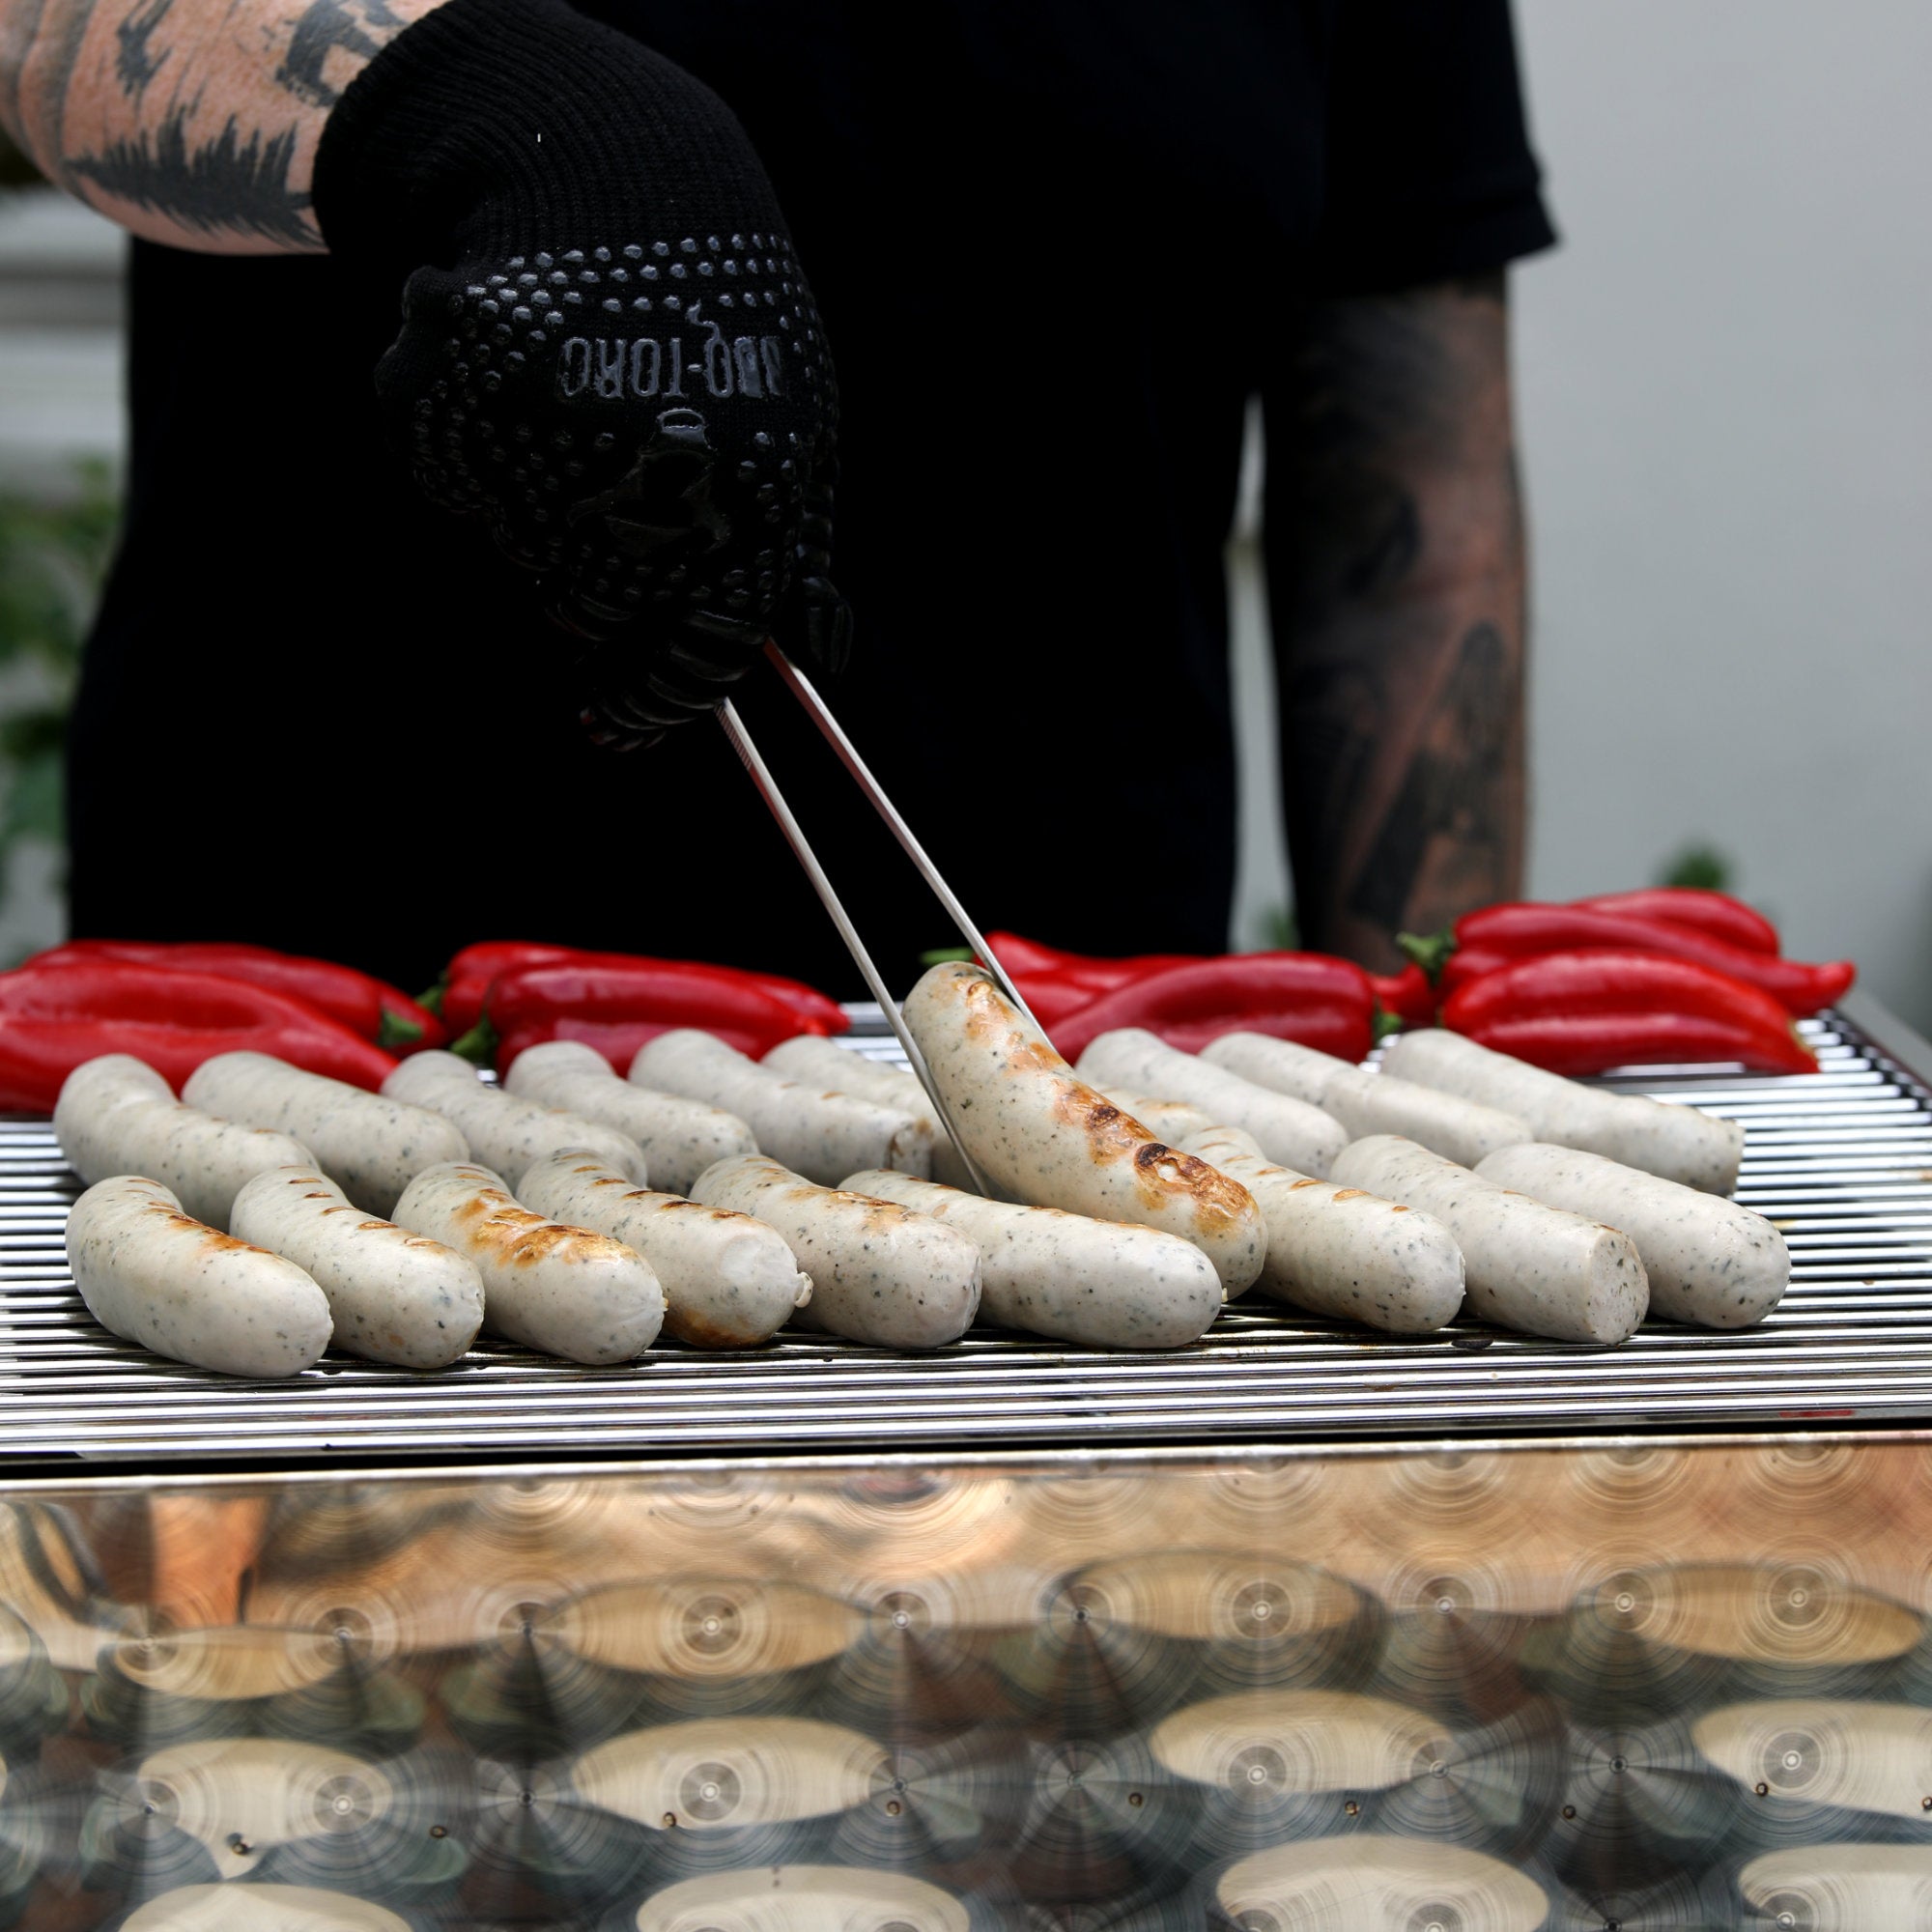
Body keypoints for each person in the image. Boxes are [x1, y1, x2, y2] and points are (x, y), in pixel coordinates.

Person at [0, 0, 1553, 996]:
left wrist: (1429, 1049)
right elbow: (47, 28)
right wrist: (484, 108)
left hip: (1069, 1078)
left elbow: (1407, 512)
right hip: (306, 1044)